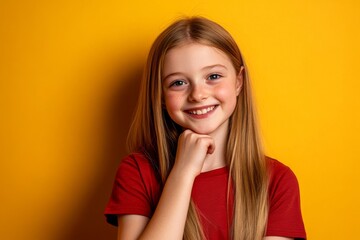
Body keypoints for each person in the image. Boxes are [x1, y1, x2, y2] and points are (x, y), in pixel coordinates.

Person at [104, 16, 306, 240]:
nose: (198, 95)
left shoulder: (277, 180)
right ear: (160, 95)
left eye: (213, 76)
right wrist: (183, 171)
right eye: (178, 82)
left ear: (238, 82)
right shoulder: (137, 172)